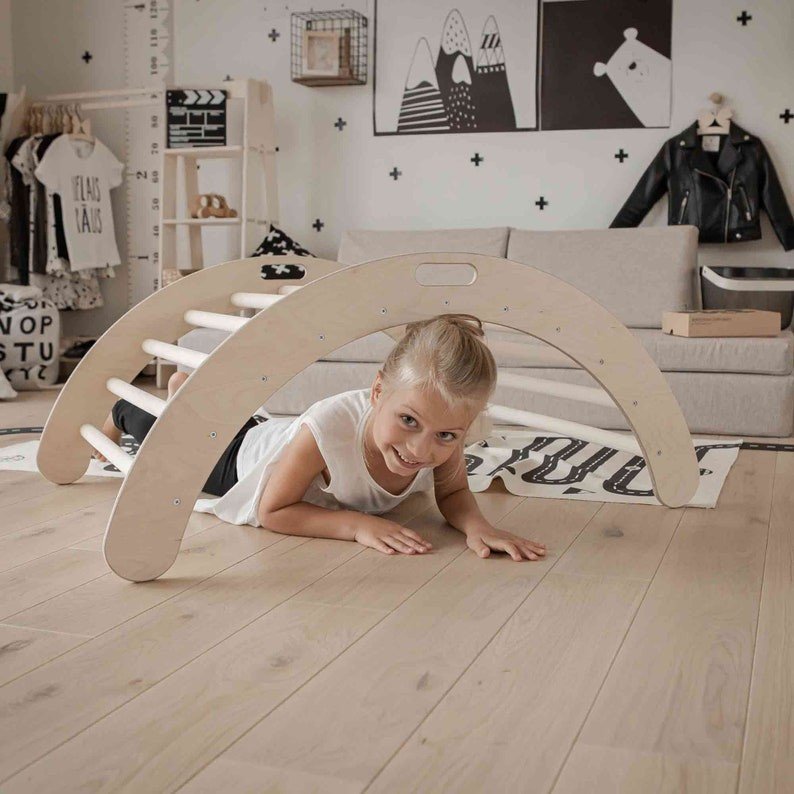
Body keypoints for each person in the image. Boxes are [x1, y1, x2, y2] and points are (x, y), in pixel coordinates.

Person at [96, 314, 546, 562]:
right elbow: (274, 509)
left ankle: (186, 397)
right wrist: (356, 525)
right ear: (377, 393)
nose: (422, 450)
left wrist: (479, 527)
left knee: (229, 421)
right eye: (407, 421)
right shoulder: (331, 425)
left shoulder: (440, 432)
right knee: (168, 437)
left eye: (446, 435)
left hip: (266, 434)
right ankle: (129, 410)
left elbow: (453, 491)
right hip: (235, 462)